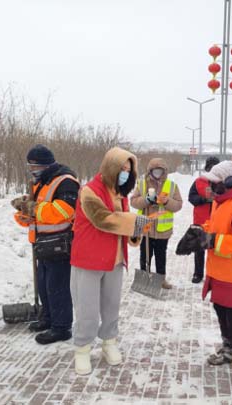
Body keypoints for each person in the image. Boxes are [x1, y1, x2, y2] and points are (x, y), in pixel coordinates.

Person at [70, 147, 153, 375]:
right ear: (110, 167)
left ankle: (109, 342)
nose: (125, 173)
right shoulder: (89, 191)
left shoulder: (120, 194)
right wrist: (136, 222)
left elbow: (124, 227)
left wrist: (137, 230)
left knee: (111, 306)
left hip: (114, 261)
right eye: (122, 169)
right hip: (88, 260)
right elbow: (103, 220)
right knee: (87, 309)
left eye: (129, 170)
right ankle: (82, 349)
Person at [180, 157, 232, 387]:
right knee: (222, 313)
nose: (210, 186)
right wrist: (199, 232)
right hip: (218, 272)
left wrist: (212, 240)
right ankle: (229, 349)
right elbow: (215, 227)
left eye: (214, 182)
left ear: (229, 181)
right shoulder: (219, 203)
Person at [11, 144, 80, 344]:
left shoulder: (66, 182)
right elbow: (40, 211)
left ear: (46, 165)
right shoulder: (40, 182)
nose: (32, 170)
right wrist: (24, 212)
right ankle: (48, 318)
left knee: (57, 288)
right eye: (30, 166)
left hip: (60, 243)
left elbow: (63, 211)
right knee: (44, 285)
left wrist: (32, 209)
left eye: (35, 166)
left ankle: (62, 327)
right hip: (43, 244)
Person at [130, 158, 183, 289]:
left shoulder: (172, 185)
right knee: (145, 255)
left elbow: (178, 205)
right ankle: (144, 278)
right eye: (155, 170)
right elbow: (133, 201)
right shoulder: (142, 184)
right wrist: (146, 200)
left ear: (164, 171)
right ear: (150, 171)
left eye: (160, 170)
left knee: (161, 256)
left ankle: (161, 279)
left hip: (162, 230)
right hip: (145, 228)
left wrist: (167, 201)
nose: (157, 173)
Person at [187, 156, 220, 283]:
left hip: (218, 221)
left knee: (216, 250)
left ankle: (214, 275)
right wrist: (203, 199)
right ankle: (198, 274)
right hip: (201, 221)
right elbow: (191, 198)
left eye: (215, 167)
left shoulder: (222, 183)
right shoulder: (199, 181)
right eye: (210, 167)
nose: (212, 170)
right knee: (199, 249)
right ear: (207, 168)